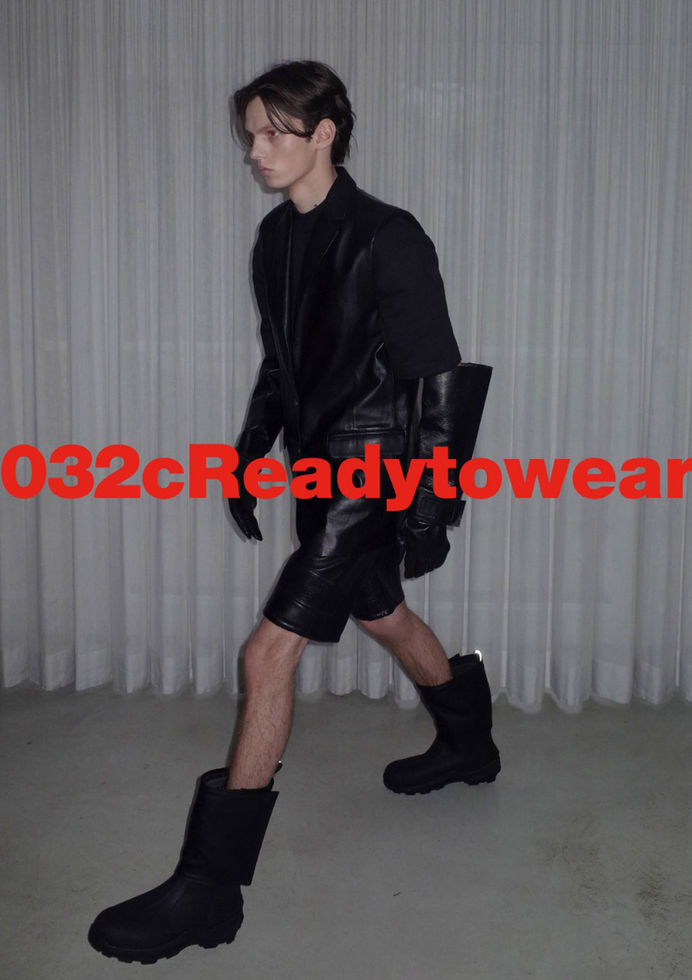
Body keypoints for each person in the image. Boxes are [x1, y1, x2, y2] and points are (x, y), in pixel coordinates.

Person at [87, 60, 500, 965]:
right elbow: (283, 366)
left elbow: (439, 380)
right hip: (318, 471)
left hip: (373, 477)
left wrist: (431, 503)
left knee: (265, 655)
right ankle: (470, 743)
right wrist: (246, 455)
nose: (257, 151)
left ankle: (210, 890)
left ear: (326, 134)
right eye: (250, 134)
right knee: (381, 614)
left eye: (275, 132)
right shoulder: (275, 239)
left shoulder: (389, 237)